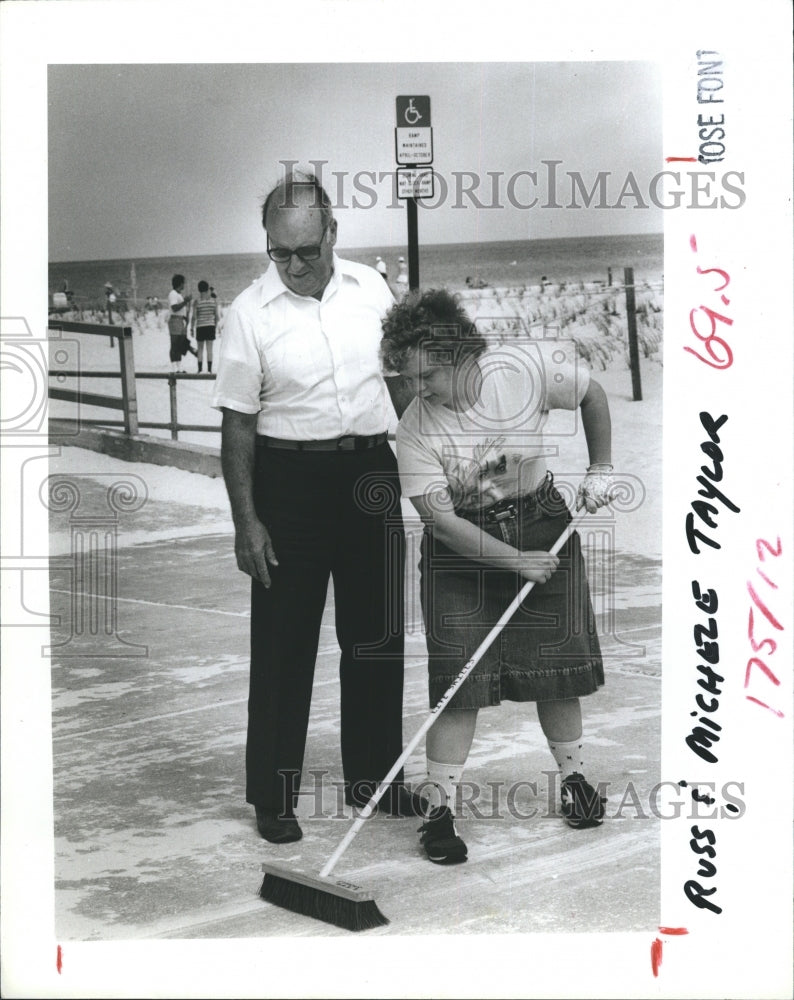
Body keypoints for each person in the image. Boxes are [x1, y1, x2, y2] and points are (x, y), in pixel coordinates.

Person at [212, 170, 420, 845]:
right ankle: (273, 796)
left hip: (370, 474)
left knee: (377, 634)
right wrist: (248, 522)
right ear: (268, 242)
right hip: (288, 484)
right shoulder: (248, 314)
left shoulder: (371, 290)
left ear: (333, 232)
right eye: (281, 252)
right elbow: (237, 427)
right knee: (283, 645)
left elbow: (399, 385)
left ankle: (374, 778)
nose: (296, 266)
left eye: (308, 249)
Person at [380, 288, 614, 864]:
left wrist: (602, 466)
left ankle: (576, 782)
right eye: (408, 379)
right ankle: (439, 812)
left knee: (557, 669)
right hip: (461, 551)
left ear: (462, 355)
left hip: (540, 522)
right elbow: (439, 522)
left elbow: (593, 394)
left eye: (427, 375)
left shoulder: (525, 370)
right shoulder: (414, 429)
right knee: (458, 682)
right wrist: (516, 562)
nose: (417, 390)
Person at [167, 274, 195, 373]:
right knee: (174, 344)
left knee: (179, 344)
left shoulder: (178, 294)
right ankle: (174, 367)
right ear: (180, 283)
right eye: (183, 283)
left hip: (180, 320)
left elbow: (181, 308)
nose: (184, 285)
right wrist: (185, 301)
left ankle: (179, 367)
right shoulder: (173, 294)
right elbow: (174, 308)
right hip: (175, 320)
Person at [190, 279, 219, 372]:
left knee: (200, 349)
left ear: (199, 290)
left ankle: (200, 369)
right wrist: (214, 326)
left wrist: (191, 328)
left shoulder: (196, 302)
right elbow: (217, 316)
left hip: (200, 327)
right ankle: (210, 370)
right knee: (210, 349)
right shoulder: (213, 301)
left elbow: (194, 317)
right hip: (210, 326)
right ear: (207, 289)